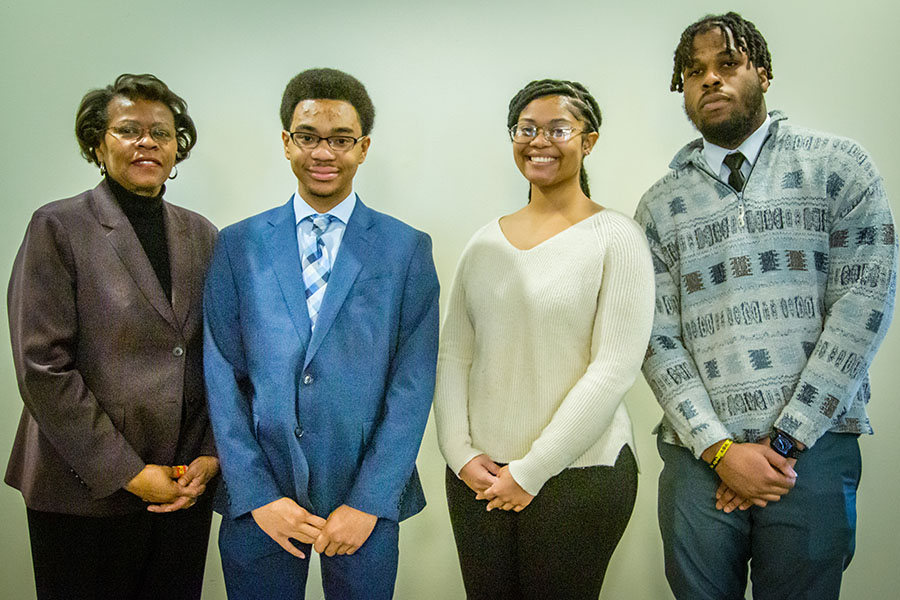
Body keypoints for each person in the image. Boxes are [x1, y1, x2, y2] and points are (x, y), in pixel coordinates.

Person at [635, 12, 898, 600]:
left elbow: (863, 307)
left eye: (728, 63)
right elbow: (655, 336)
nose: (710, 80)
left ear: (763, 72)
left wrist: (781, 446)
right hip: (697, 458)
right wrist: (720, 449)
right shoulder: (659, 206)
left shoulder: (838, 167)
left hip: (814, 452)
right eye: (695, 71)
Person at [203, 67, 439, 600]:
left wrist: (371, 500)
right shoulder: (237, 245)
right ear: (287, 142)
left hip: (364, 495)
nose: (323, 152)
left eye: (340, 139)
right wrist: (257, 493)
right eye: (308, 137)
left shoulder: (406, 249)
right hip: (261, 491)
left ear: (364, 147)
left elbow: (413, 384)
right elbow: (222, 373)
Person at [433, 79, 655, 599]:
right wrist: (459, 453)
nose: (539, 141)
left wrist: (531, 471)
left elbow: (614, 368)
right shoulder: (484, 240)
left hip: (579, 477)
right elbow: (453, 352)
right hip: (478, 479)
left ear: (588, 140)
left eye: (558, 129)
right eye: (526, 129)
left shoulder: (617, 237)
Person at [5, 73, 219, 600]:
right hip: (82, 488)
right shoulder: (58, 226)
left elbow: (223, 354)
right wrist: (127, 471)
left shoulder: (203, 235)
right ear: (98, 145)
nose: (147, 142)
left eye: (162, 133)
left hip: (180, 486)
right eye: (129, 130)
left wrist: (210, 455)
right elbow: (42, 367)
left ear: (177, 148)